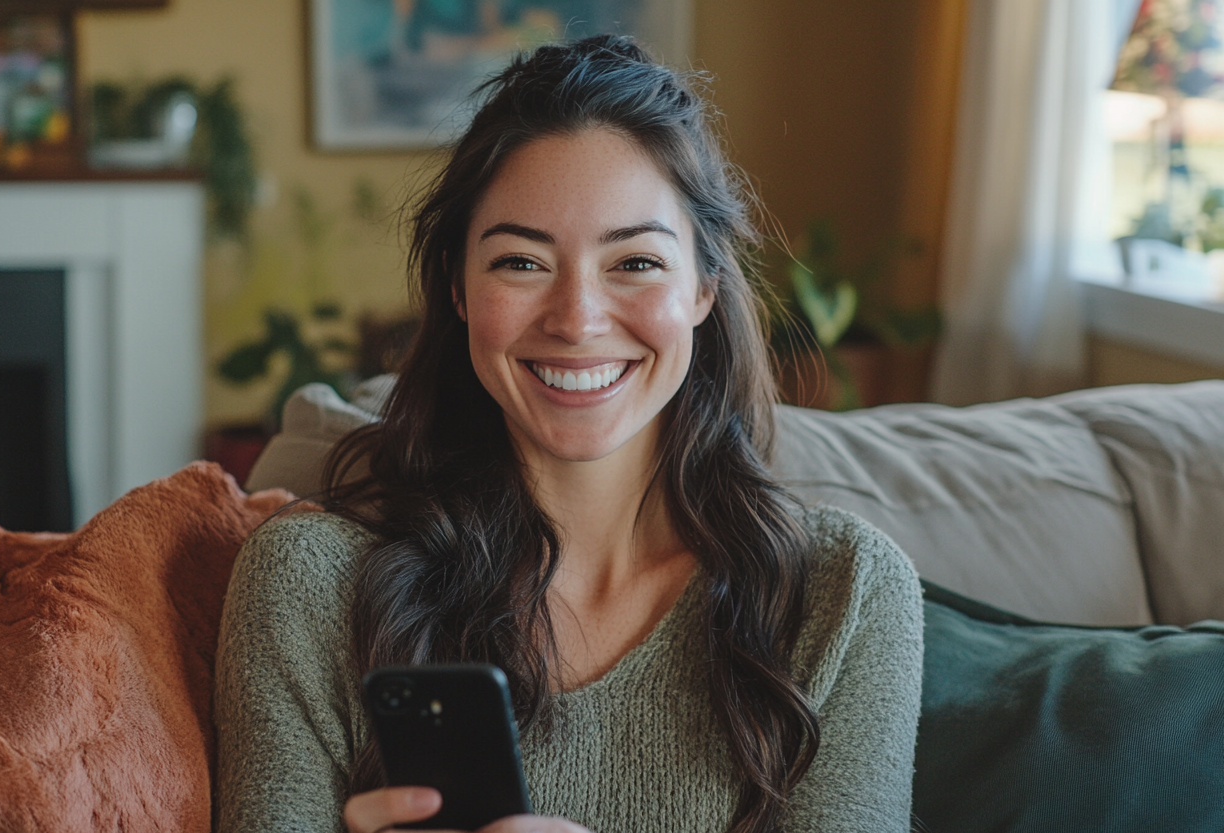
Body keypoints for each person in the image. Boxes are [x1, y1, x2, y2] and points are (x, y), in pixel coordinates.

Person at [215, 35, 923, 833]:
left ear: (703, 286)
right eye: (521, 262)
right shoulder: (309, 584)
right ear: (456, 287)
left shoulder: (843, 594)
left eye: (635, 263)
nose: (577, 319)